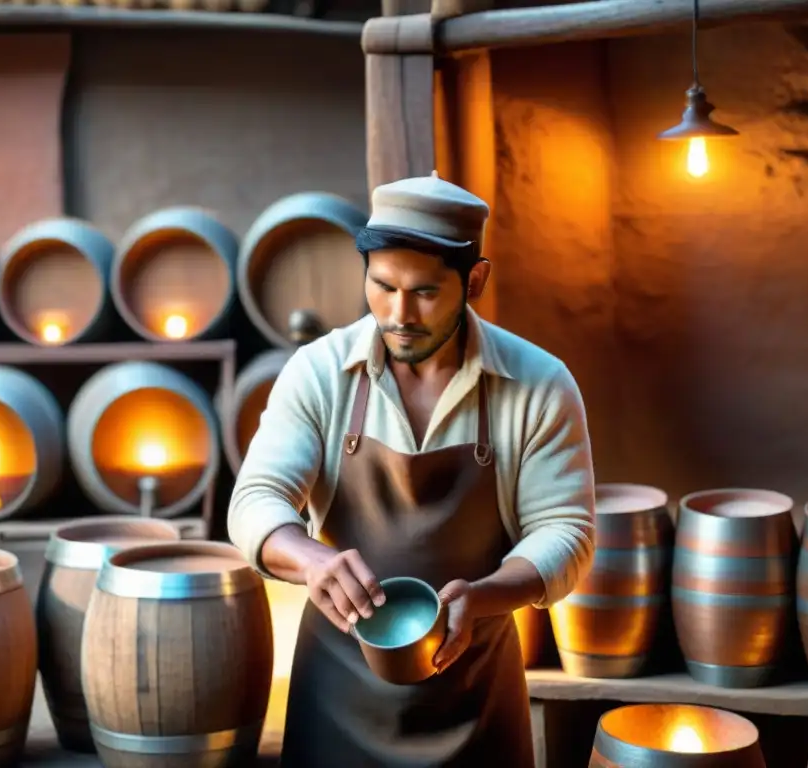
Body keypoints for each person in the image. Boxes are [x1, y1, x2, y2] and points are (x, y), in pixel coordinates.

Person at [228, 171, 596, 768]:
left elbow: (567, 532)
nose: (398, 314)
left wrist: (483, 597)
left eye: (424, 292)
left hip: (474, 693)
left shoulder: (539, 385)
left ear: (474, 280)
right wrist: (311, 558)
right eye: (382, 286)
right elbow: (255, 500)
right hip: (337, 694)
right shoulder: (317, 373)